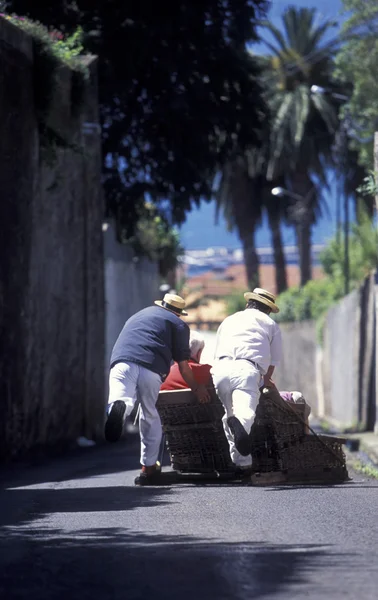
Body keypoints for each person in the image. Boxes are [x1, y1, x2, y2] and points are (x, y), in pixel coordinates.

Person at [105, 293, 210, 485]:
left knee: (120, 398)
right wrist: (196, 387)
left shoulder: (138, 315)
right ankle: (148, 468)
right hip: (151, 368)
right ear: (178, 313)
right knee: (149, 413)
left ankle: (119, 409)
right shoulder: (178, 325)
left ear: (161, 305)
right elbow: (184, 366)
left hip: (121, 361)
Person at [211, 288, 282, 473]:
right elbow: (273, 361)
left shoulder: (229, 320)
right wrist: (266, 381)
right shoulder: (270, 324)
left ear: (248, 304)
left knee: (229, 415)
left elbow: (217, 350)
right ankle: (239, 428)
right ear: (267, 309)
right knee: (245, 414)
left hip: (220, 369)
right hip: (247, 370)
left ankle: (242, 463)